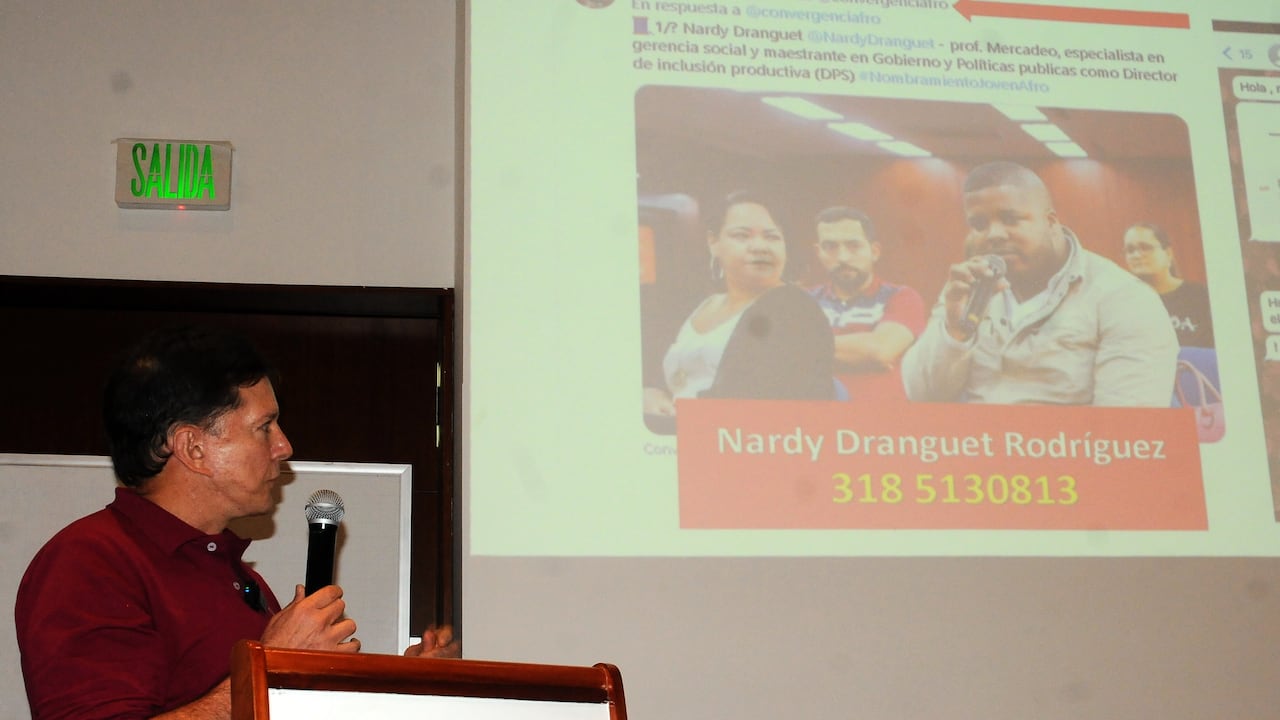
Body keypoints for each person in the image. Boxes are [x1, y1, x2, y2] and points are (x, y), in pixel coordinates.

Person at [15, 325, 459, 720]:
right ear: (192, 448)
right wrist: (271, 664)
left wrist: (403, 685)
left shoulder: (236, 576)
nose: (284, 446)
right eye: (264, 426)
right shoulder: (89, 562)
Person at [901, 161, 1178, 406]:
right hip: (978, 453)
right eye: (979, 224)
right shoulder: (970, 289)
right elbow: (922, 396)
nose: (993, 235)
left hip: (1067, 458)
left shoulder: (1124, 299)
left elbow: (1128, 432)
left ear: (1050, 222)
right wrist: (954, 331)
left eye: (1010, 219)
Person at [643, 190, 834, 424]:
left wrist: (684, 414)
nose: (760, 246)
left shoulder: (795, 311)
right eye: (742, 236)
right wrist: (651, 392)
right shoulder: (697, 305)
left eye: (772, 237)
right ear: (713, 243)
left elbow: (763, 403)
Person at [808, 206, 926, 403]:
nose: (843, 257)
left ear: (875, 251)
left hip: (881, 423)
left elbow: (880, 350)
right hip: (815, 420)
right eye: (830, 247)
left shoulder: (902, 297)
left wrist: (807, 351)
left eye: (853, 246)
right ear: (818, 252)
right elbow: (780, 354)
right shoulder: (804, 301)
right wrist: (859, 354)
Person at [1122, 222, 1215, 348]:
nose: (1137, 255)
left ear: (1168, 253)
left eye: (1146, 247)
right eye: (1130, 250)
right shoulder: (1121, 303)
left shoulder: (1202, 297)